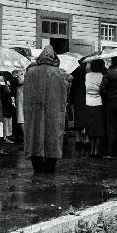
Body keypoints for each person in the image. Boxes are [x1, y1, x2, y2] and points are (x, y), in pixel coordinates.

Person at [24, 45, 71, 174]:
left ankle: (37, 166)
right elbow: (66, 90)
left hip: (34, 110)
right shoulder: (61, 73)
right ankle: (50, 166)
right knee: (53, 133)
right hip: (54, 110)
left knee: (34, 133)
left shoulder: (31, 71)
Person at [100, 57, 117, 158]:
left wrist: (104, 98)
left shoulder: (109, 72)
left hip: (110, 102)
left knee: (111, 127)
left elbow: (102, 88)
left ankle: (111, 150)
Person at [84, 59, 107, 157]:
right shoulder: (102, 76)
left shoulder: (87, 75)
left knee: (90, 127)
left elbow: (86, 87)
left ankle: (91, 150)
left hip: (88, 103)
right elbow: (103, 90)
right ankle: (96, 150)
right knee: (98, 129)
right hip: (99, 103)